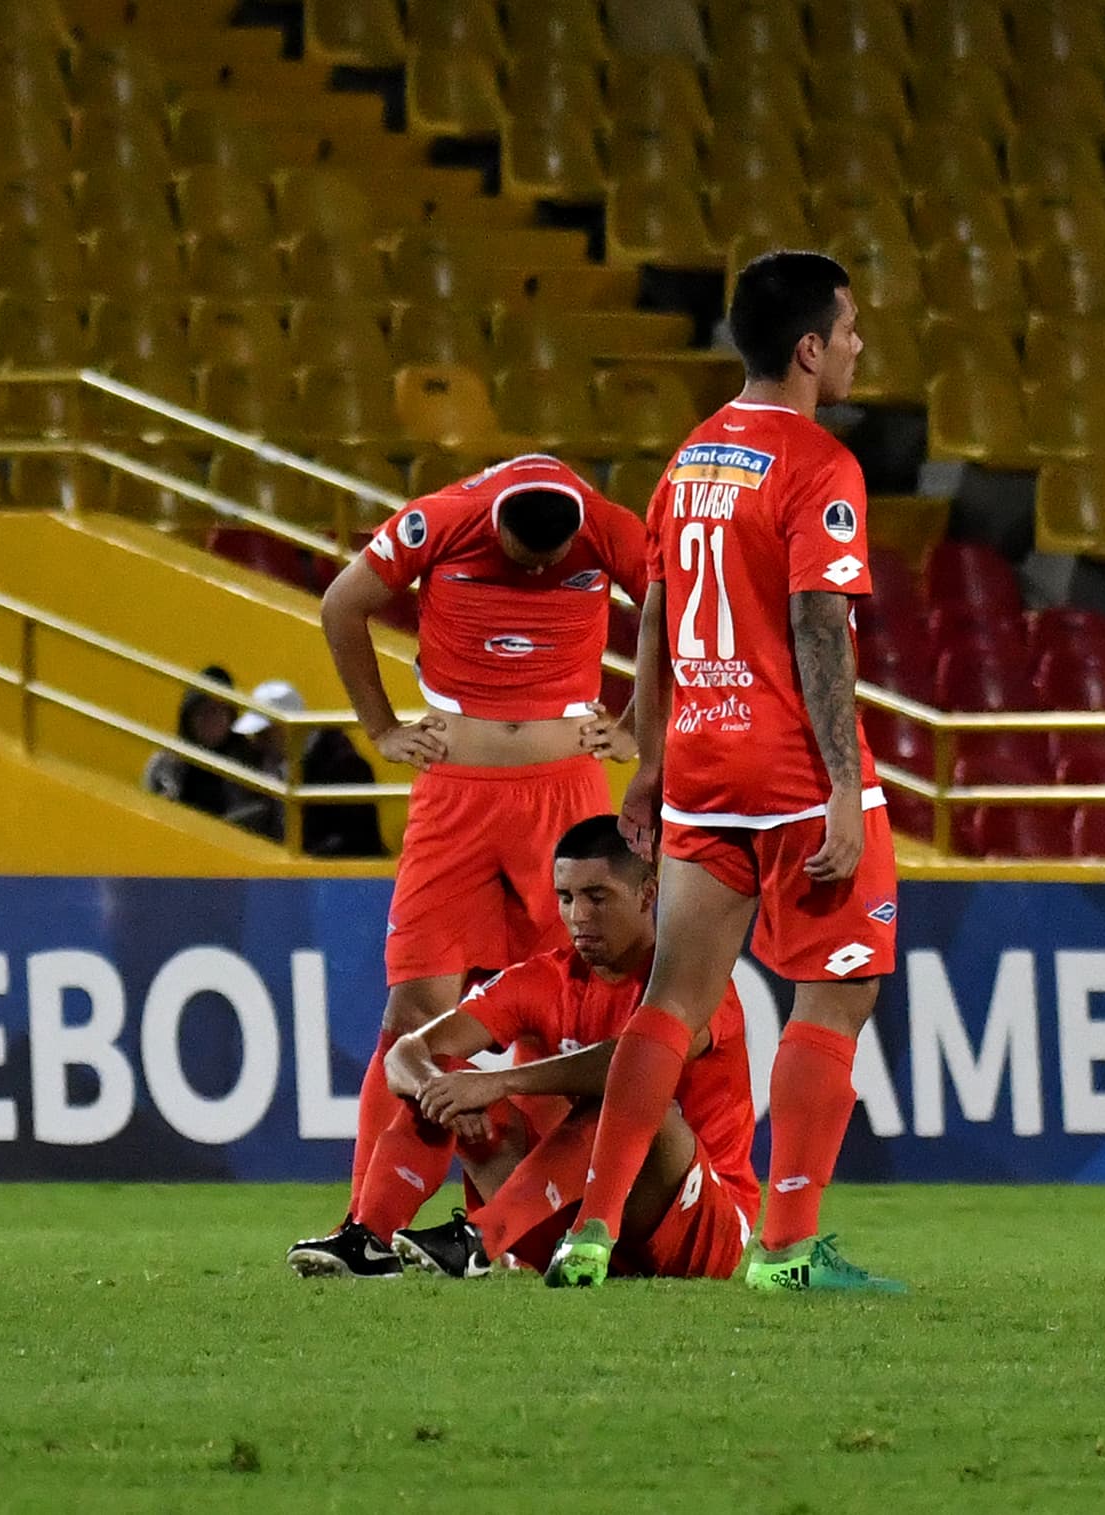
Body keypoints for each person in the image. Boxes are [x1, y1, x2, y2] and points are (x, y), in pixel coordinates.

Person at [545, 251, 906, 1294]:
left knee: (670, 999)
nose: (857, 344)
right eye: (848, 328)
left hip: (703, 765)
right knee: (835, 996)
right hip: (791, 768)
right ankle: (785, 1249)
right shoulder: (818, 464)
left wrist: (649, 757)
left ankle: (591, 1231)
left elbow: (655, 612)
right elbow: (818, 627)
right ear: (808, 348)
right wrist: (841, 786)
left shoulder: (691, 456)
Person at [285, 455, 648, 1267]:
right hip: (455, 797)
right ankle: (364, 1224)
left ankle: (524, 1231)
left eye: (554, 564)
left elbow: (676, 607)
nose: (539, 573)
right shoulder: (441, 519)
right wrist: (381, 728)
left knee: (562, 1014)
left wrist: (638, 725)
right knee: (417, 1010)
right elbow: (342, 604)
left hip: (565, 792)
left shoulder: (608, 526)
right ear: (494, 527)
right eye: (523, 560)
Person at [286, 815, 757, 1281]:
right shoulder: (545, 978)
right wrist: (436, 1088)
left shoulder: (690, 988)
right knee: (444, 1076)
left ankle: (480, 1239)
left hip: (700, 1228)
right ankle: (370, 1239)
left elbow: (634, 1067)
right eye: (566, 898)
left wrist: (498, 1083)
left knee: (628, 1099)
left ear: (648, 895)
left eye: (597, 897)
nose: (578, 916)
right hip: (572, 1217)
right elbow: (405, 1054)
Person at [230, 677, 384, 857]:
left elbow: (353, 839)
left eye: (265, 734)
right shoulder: (266, 763)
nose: (258, 743)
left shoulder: (345, 767)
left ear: (288, 728)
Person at [142, 664, 251, 818]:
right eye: (204, 711)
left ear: (231, 718)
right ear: (189, 717)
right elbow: (148, 812)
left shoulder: (249, 766)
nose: (212, 719)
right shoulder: (165, 764)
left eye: (219, 711)